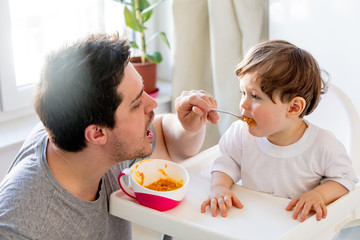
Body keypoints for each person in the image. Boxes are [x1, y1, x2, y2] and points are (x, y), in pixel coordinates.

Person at [0, 33, 219, 239]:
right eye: (136, 104)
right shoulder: (24, 229)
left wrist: (187, 126)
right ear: (97, 134)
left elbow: (169, 142)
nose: (152, 104)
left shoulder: (75, 132)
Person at [200, 40, 358, 222]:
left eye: (255, 96)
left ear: (293, 108)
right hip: (252, 220)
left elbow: (345, 179)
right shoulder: (239, 134)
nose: (243, 103)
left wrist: (319, 195)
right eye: (243, 93)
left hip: (295, 228)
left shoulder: (323, 145)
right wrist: (219, 187)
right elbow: (226, 163)